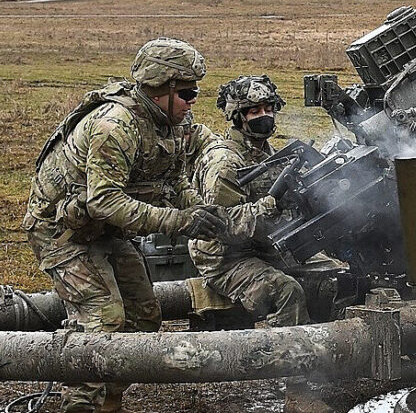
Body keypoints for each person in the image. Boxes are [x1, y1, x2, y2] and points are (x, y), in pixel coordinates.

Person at [22, 37, 228, 413]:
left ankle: (109, 403)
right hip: (61, 232)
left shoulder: (168, 122)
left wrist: (203, 213)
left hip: (104, 229)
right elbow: (104, 200)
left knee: (145, 316)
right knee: (103, 321)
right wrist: (180, 222)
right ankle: (80, 406)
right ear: (161, 88)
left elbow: (173, 183)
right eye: (187, 92)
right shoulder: (114, 126)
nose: (193, 101)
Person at [188, 75, 310, 327]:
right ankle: (293, 359)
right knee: (287, 291)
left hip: (265, 246)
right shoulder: (224, 163)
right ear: (238, 116)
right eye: (255, 111)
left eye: (269, 109)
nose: (265, 116)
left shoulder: (268, 153)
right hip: (226, 259)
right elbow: (222, 227)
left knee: (332, 276)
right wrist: (269, 207)